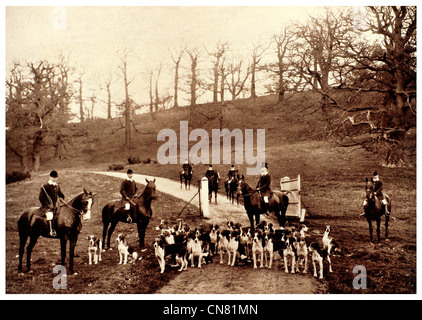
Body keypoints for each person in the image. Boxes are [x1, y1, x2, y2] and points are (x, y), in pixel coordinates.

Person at [39, 170, 65, 237]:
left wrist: (61, 198)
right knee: (50, 215)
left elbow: (61, 195)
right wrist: (48, 205)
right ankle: (51, 231)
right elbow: (41, 198)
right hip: (47, 207)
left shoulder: (57, 186)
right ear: (50, 177)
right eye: (54, 177)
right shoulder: (45, 186)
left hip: (56, 206)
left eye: (56, 177)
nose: (55, 179)